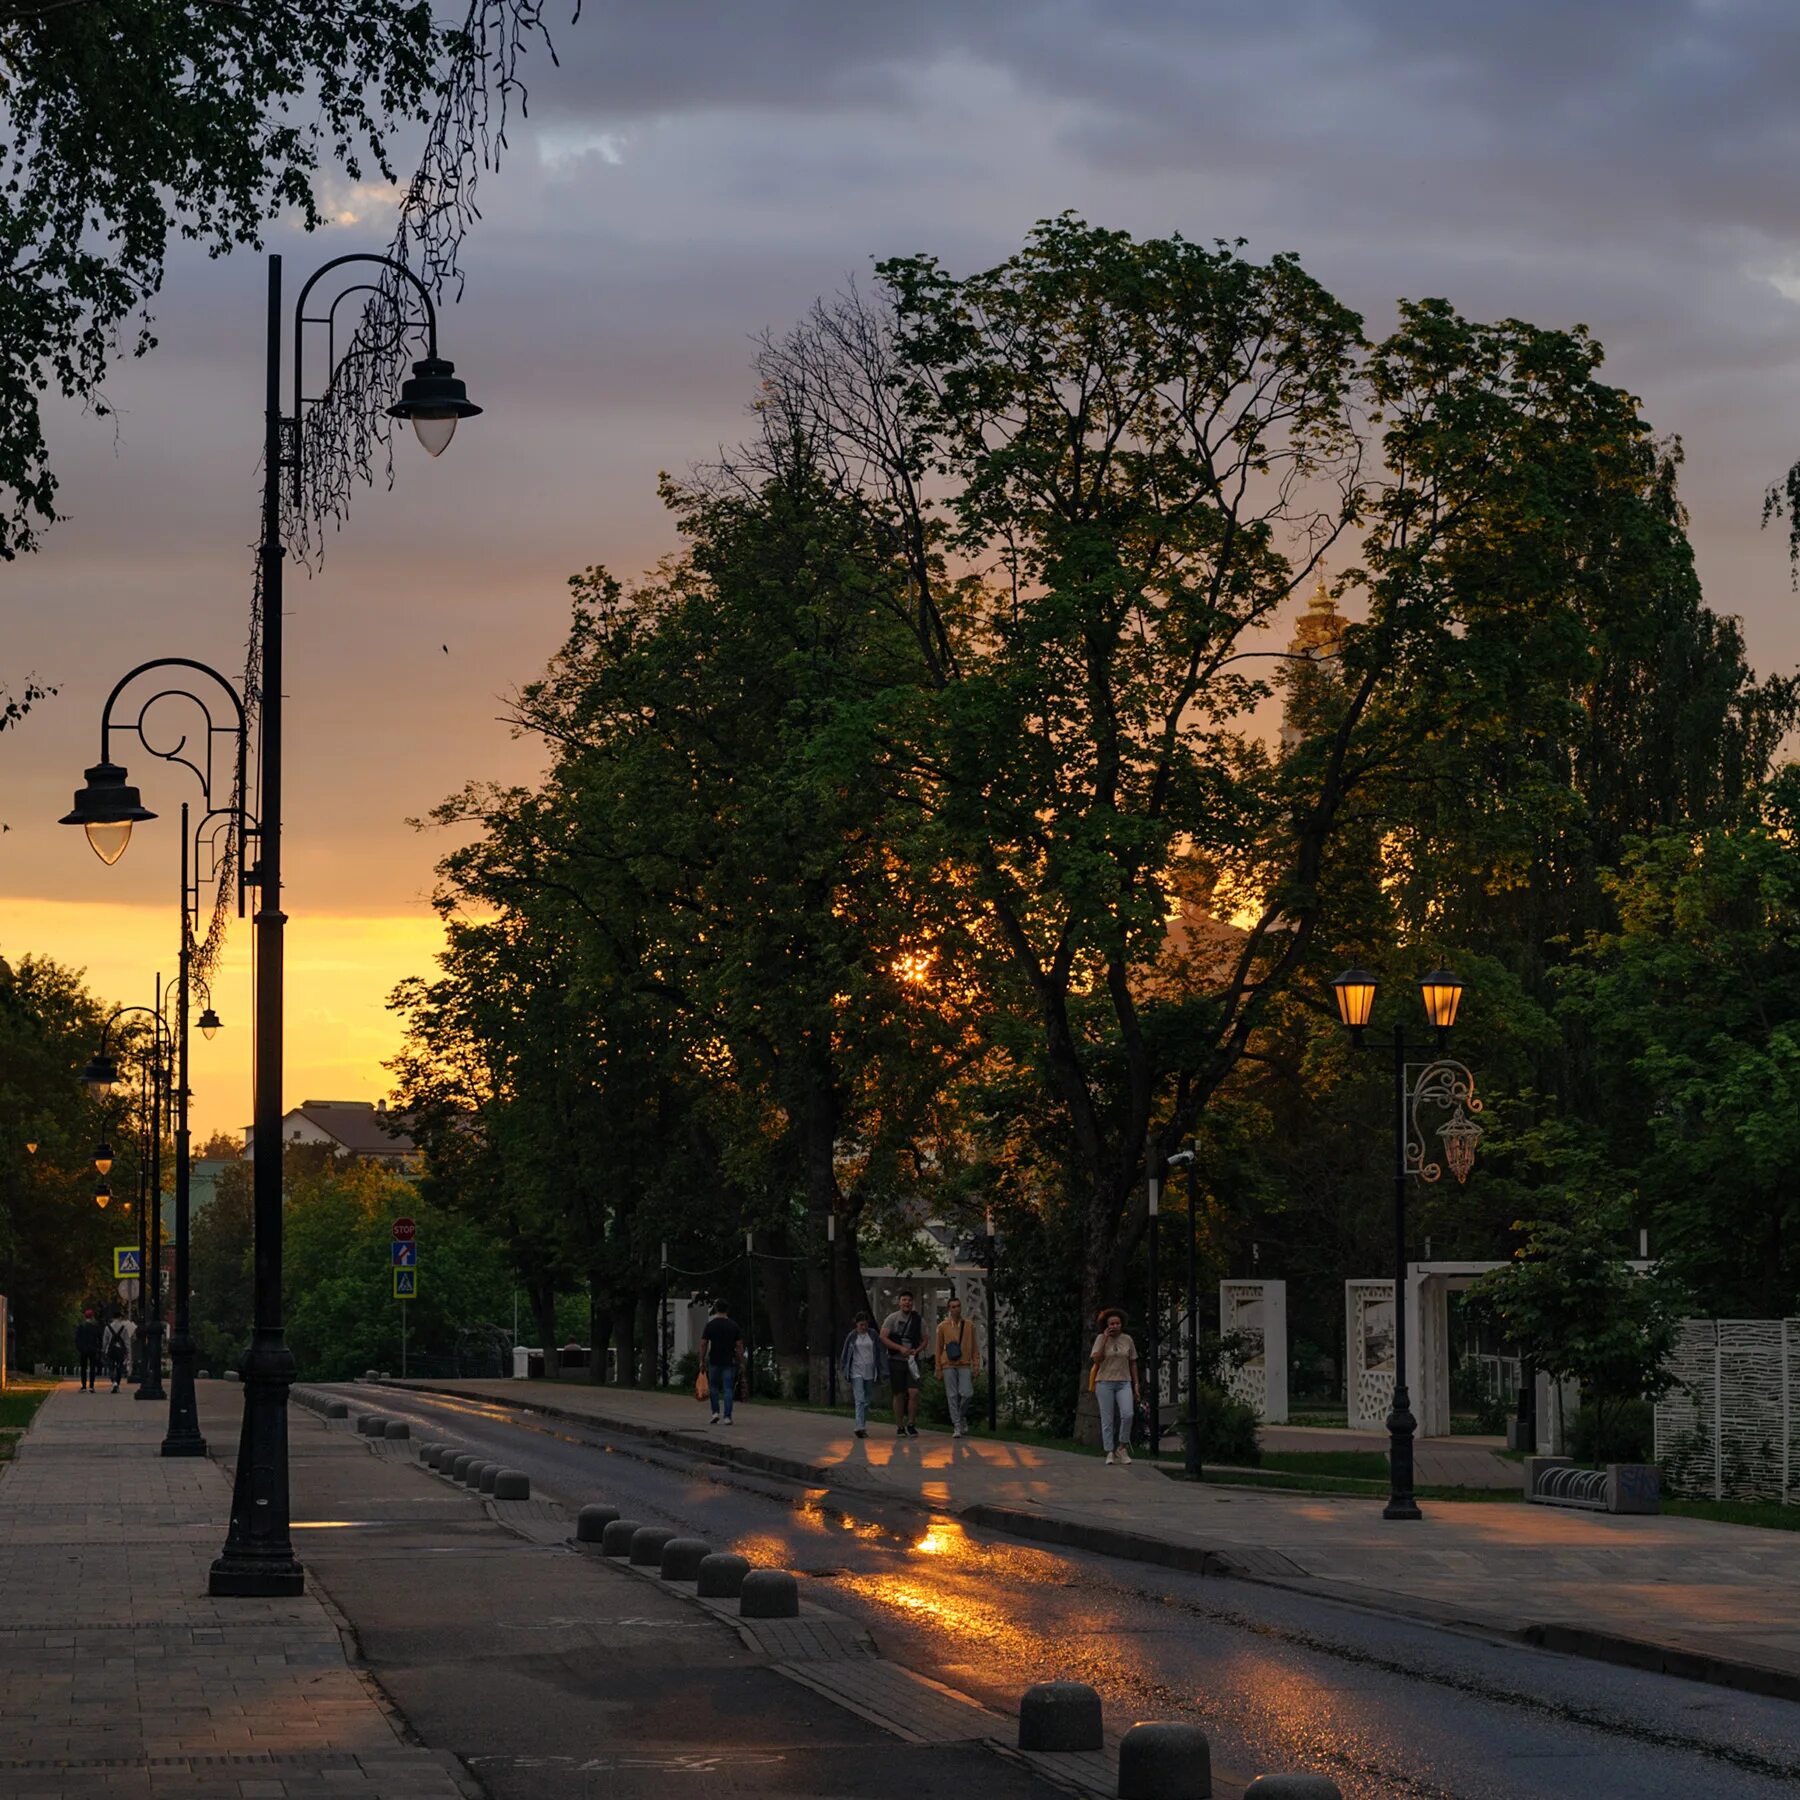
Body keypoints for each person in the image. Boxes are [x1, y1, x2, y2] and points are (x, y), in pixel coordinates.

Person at [1089, 1308, 1140, 1465]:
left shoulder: (1127, 1340)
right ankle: (1109, 1451)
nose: (1115, 1326)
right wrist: (1105, 1339)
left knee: (1127, 1414)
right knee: (1107, 1419)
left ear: (1121, 1324)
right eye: (1112, 1323)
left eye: (1117, 1323)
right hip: (1104, 1381)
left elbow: (1133, 1362)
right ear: (1106, 1325)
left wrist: (1136, 1384)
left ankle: (1122, 1447)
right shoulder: (1100, 1339)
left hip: (1124, 1381)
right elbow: (1097, 1359)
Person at [933, 1295, 981, 1437]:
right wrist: (938, 1367)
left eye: (958, 1306)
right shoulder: (943, 1326)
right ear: (949, 1309)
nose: (956, 1309)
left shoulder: (969, 1325)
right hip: (948, 1363)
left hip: (964, 1363)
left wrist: (976, 1364)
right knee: (952, 1395)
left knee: (967, 1393)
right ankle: (957, 1425)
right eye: (953, 1307)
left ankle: (961, 1416)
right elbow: (939, 1347)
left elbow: (974, 1346)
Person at [880, 1288, 925, 1437]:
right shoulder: (892, 1318)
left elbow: (925, 1339)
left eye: (909, 1300)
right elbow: (883, 1337)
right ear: (899, 1302)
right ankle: (900, 1426)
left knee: (914, 1392)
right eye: (904, 1300)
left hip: (912, 1361)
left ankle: (911, 1423)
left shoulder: (918, 1320)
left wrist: (917, 1350)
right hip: (896, 1360)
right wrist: (899, 1348)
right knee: (899, 1394)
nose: (907, 1303)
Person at [699, 1299, 744, 1425]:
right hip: (729, 1361)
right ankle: (727, 1417)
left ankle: (715, 1413)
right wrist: (741, 1362)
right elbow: (739, 1346)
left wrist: (701, 1360)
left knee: (713, 1387)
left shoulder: (711, 1325)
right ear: (727, 1310)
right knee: (728, 1388)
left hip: (714, 1360)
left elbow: (703, 1344)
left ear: (716, 1309)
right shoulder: (733, 1325)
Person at [839, 1311, 881, 1437]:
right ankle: (859, 1426)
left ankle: (862, 1425)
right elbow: (845, 1353)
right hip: (856, 1370)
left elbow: (879, 1351)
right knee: (860, 1399)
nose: (863, 1328)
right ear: (856, 1325)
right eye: (861, 1325)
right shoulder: (852, 1336)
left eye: (865, 1325)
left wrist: (882, 1368)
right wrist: (844, 1368)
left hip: (870, 1371)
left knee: (867, 1400)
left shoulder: (873, 1335)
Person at [102, 1312, 132, 1392]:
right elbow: (127, 1341)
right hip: (120, 1349)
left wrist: (104, 1350)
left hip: (111, 1349)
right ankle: (117, 1383)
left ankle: (114, 1382)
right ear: (120, 1318)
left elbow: (105, 1341)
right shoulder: (124, 1328)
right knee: (119, 1367)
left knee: (111, 1367)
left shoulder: (107, 1327)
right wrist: (128, 1352)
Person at [74, 1308, 101, 1392]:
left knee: (83, 1367)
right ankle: (91, 1386)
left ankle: (84, 1386)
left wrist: (79, 1348)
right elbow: (99, 1338)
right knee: (92, 1367)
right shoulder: (95, 1327)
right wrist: (98, 1348)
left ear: (84, 1316)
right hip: (92, 1349)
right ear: (92, 1316)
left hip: (83, 1350)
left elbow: (77, 1339)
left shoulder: (81, 1326)